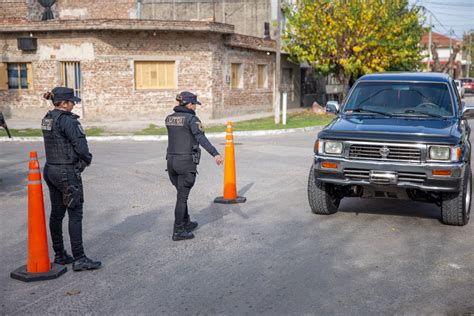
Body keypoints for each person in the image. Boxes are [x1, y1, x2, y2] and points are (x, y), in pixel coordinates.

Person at [41, 87, 101, 271]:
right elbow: (80, 145)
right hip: (66, 172)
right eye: (72, 101)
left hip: (51, 169)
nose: (74, 104)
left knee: (57, 214)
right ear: (65, 103)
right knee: (75, 215)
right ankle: (80, 258)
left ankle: (60, 254)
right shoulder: (68, 121)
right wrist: (87, 159)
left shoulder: (48, 118)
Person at [165, 91, 222, 241]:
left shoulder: (169, 119)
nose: (195, 107)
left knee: (181, 195)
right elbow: (201, 138)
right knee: (182, 198)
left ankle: (186, 222)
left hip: (171, 163)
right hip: (185, 163)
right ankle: (178, 231)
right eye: (195, 104)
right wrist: (215, 153)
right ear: (189, 104)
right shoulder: (191, 119)